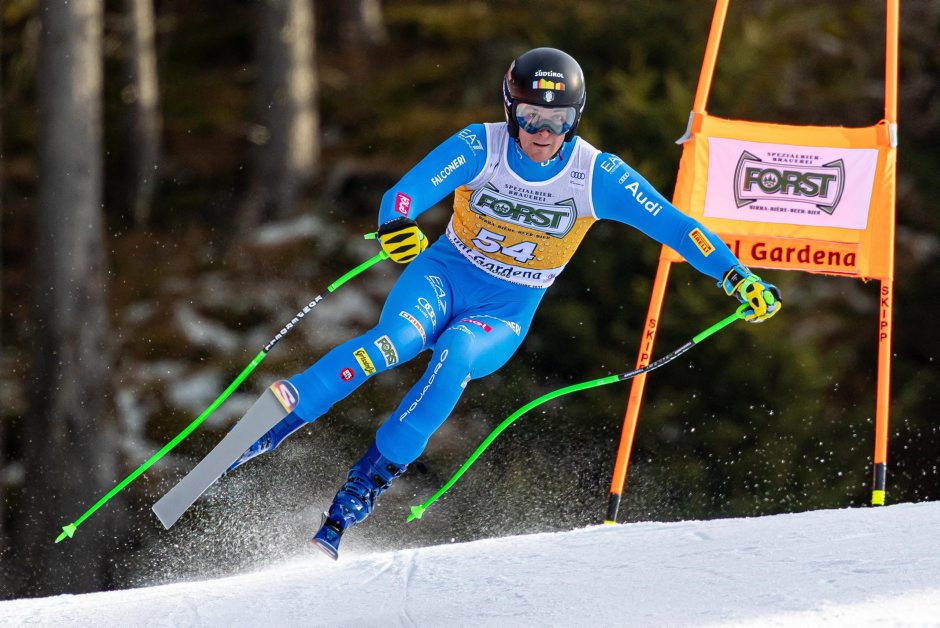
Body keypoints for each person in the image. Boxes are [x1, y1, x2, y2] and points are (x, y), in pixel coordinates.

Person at [228, 47, 781, 559]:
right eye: (532, 117)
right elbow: (404, 194)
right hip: (442, 276)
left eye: (559, 121)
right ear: (510, 109)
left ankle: (365, 484)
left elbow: (679, 229)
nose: (543, 133)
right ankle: (279, 420)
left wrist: (735, 275)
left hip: (503, 313)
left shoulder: (596, 174)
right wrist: (397, 224)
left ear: (576, 118)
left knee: (456, 355)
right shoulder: (481, 146)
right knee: (393, 342)